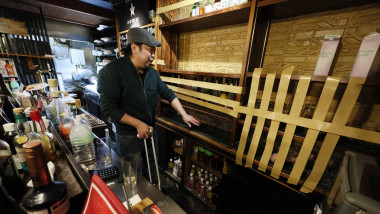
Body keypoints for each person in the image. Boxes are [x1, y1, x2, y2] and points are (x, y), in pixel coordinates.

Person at [97, 28, 199, 183]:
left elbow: (168, 93)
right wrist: (138, 124)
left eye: (154, 52)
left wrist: (184, 114)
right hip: (129, 136)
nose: (153, 56)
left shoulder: (152, 74)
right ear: (134, 48)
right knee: (133, 172)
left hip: (150, 130)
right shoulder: (112, 72)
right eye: (149, 51)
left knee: (153, 165)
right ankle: (136, 200)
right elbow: (109, 108)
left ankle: (153, 192)